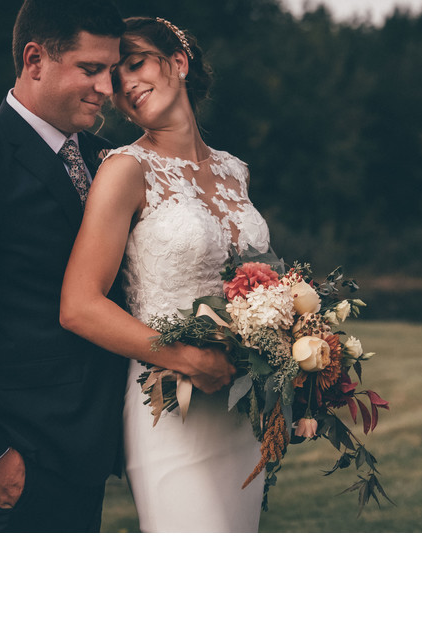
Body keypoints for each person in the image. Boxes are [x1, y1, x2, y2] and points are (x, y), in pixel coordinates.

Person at [60, 17, 270, 532]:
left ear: (178, 61)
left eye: (135, 63)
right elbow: (79, 305)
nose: (125, 84)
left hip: (241, 409)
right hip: (168, 403)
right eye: (115, 77)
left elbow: (255, 285)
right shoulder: (125, 169)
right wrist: (185, 357)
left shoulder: (234, 170)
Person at [0, 0, 129, 532]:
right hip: (13, 467)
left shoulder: (110, 162)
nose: (107, 87)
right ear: (35, 60)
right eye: (91, 69)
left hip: (88, 457)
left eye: (112, 71)